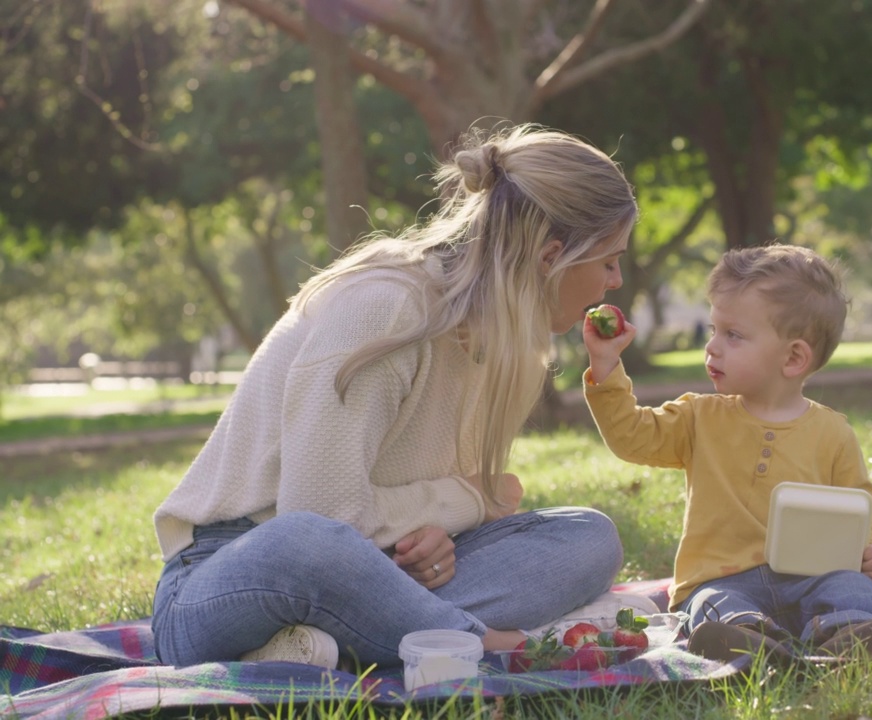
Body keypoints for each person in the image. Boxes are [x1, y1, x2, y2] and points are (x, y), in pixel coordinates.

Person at [151, 124, 637, 670]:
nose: (615, 280)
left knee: (589, 537)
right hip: (233, 574)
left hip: (379, 575)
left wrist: (438, 536)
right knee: (306, 542)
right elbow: (320, 516)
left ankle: (337, 645)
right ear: (551, 257)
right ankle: (481, 646)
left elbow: (409, 523)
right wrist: (470, 500)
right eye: (609, 260)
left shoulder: (514, 350)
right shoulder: (386, 307)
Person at [581, 244, 872, 664]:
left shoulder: (832, 432)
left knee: (853, 588)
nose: (712, 347)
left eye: (733, 335)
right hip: (723, 579)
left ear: (794, 356)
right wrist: (605, 368)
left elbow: (863, 505)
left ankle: (848, 635)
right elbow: (631, 437)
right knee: (707, 603)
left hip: (810, 577)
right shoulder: (698, 416)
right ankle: (748, 640)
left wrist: (870, 550)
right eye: (713, 329)